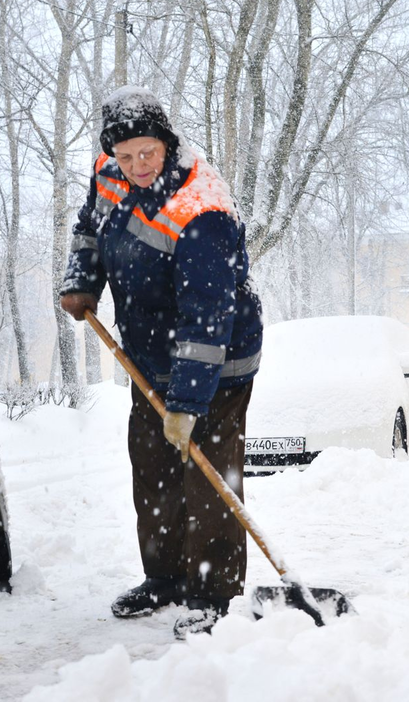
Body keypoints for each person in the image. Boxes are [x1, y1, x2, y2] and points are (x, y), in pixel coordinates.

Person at [59, 86, 262, 639]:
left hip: (216, 364)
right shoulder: (110, 172)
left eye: (147, 153)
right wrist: (82, 281)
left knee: (207, 477)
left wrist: (188, 403)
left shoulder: (203, 211)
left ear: (167, 144)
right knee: (152, 471)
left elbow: (207, 318)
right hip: (149, 357)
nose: (136, 166)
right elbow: (89, 229)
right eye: (125, 157)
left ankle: (215, 593)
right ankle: (166, 578)